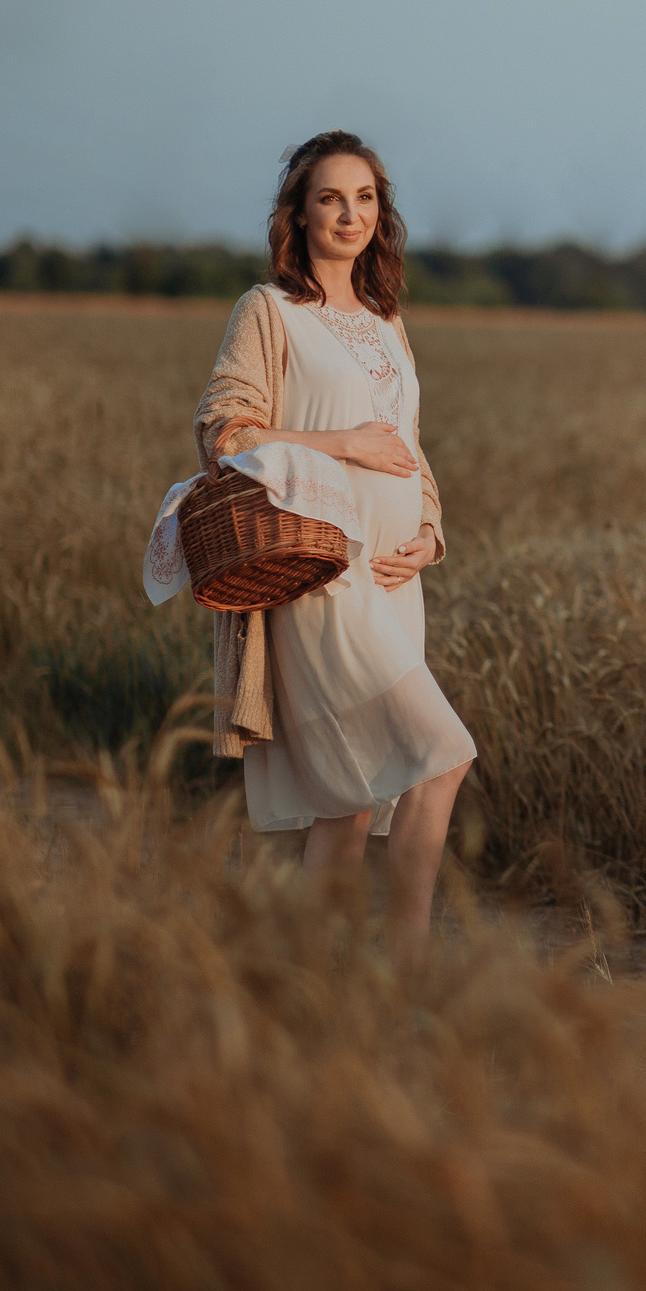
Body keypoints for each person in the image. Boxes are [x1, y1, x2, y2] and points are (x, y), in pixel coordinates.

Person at [191, 129, 476, 961]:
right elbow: (224, 432)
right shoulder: (269, 311)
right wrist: (344, 443)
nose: (349, 214)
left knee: (350, 800)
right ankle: (409, 961)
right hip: (322, 575)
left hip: (394, 585)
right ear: (301, 213)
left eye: (365, 198)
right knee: (441, 755)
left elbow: (412, 446)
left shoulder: (388, 320)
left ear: (379, 215)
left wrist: (429, 533)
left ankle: (315, 985)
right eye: (330, 197)